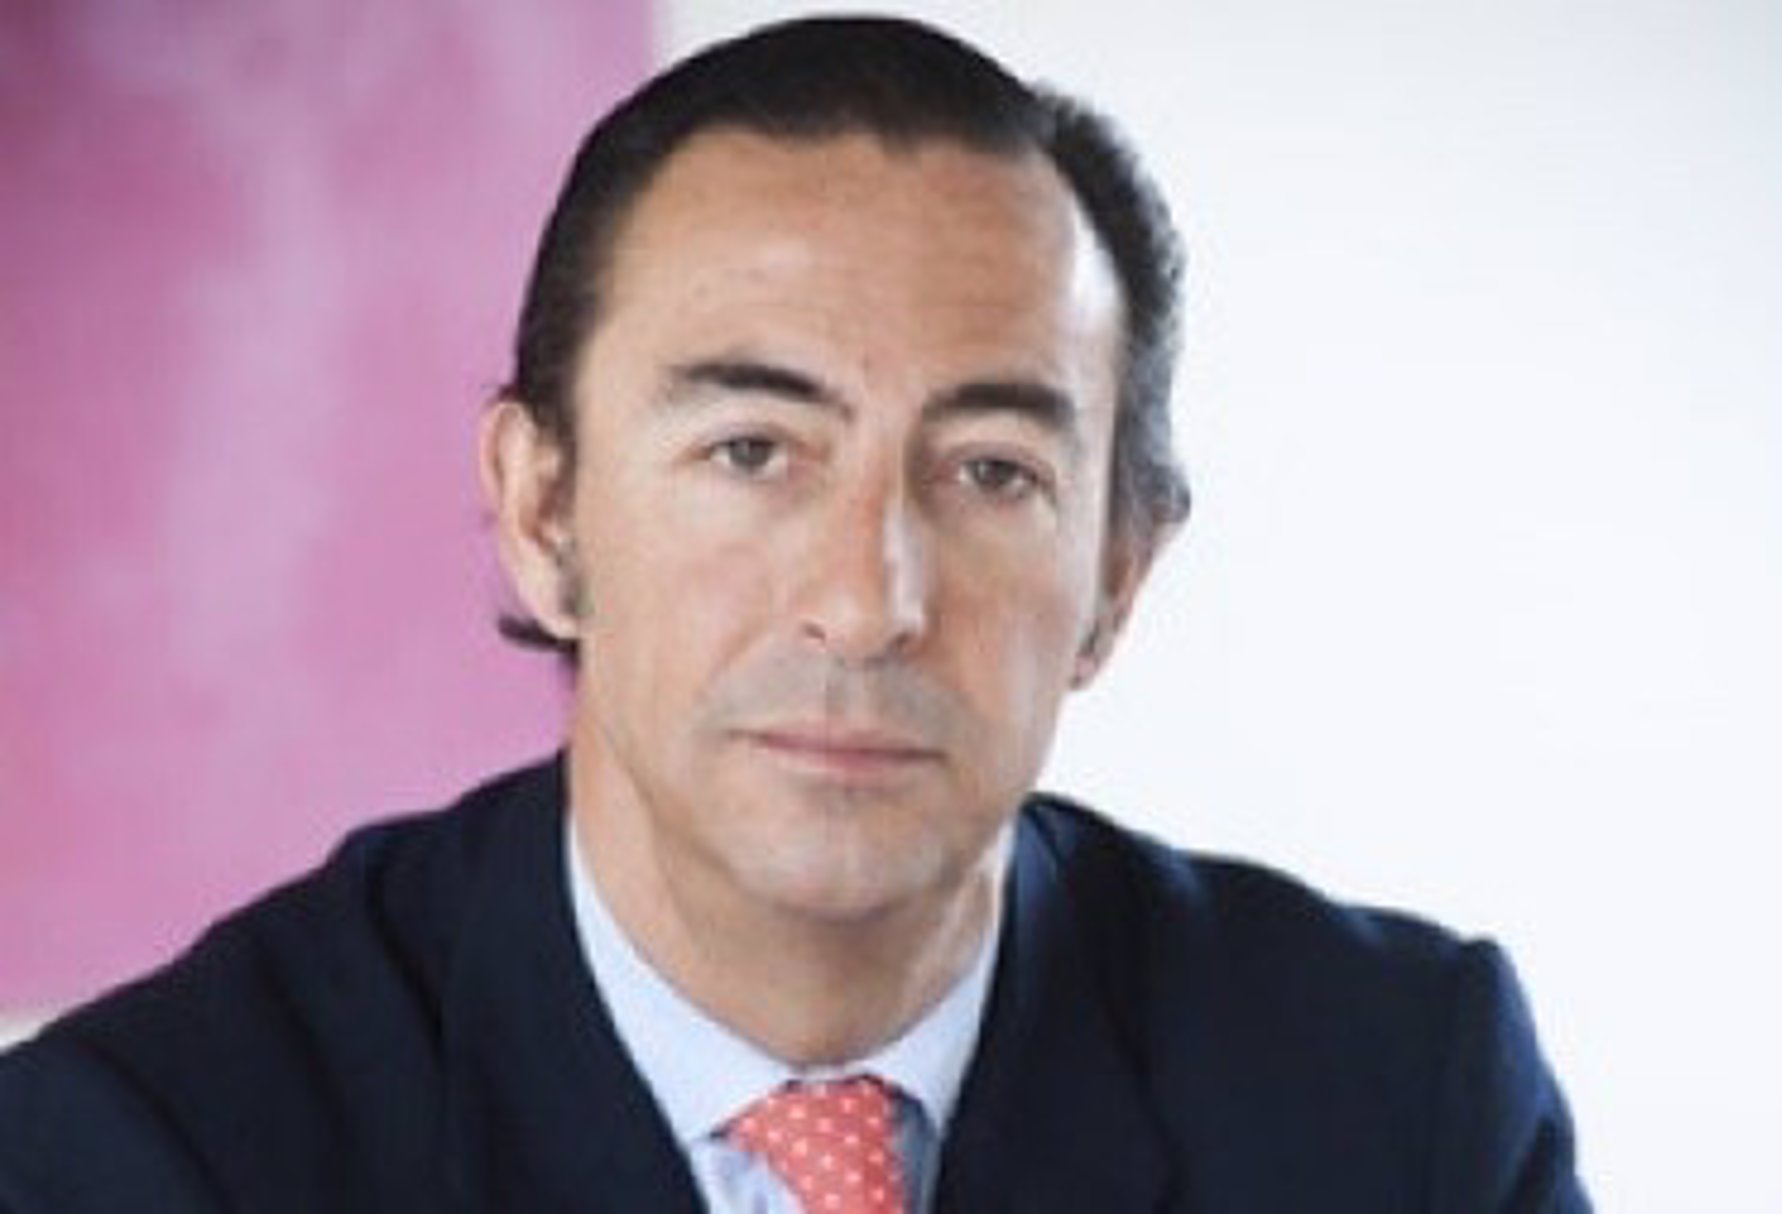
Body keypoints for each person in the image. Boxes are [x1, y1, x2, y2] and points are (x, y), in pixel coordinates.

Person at [0, 16, 1589, 1212]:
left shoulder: (1404, 1104)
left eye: (991, 472)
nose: (868, 601)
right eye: (753, 452)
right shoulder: (148, 1153)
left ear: (1116, 576)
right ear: (544, 511)